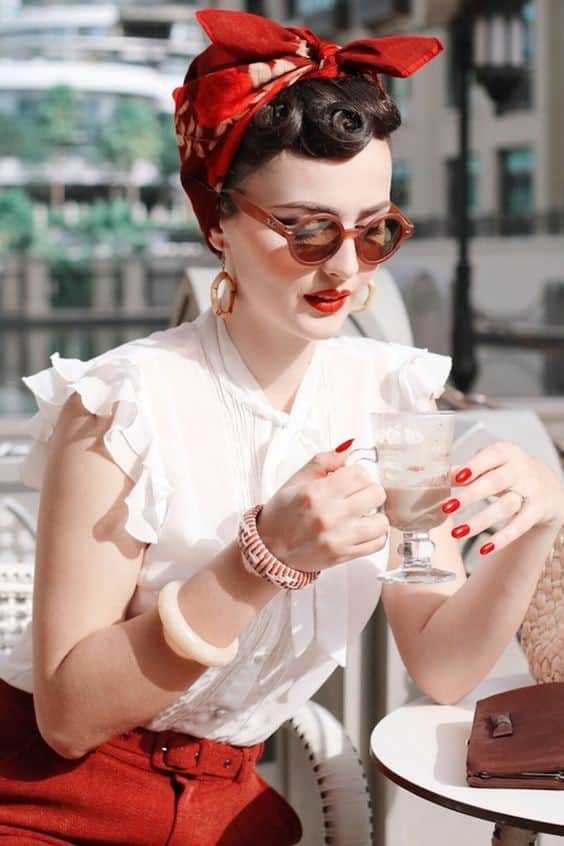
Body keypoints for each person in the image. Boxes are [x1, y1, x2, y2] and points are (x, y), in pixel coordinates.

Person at [0, 8, 563, 845]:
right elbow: (69, 716)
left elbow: (442, 667)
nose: (344, 266)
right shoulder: (120, 403)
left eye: (374, 230)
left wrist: (538, 522)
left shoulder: (394, 397)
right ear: (217, 222)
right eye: (306, 228)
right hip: (44, 800)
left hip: (231, 806)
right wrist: (264, 558)